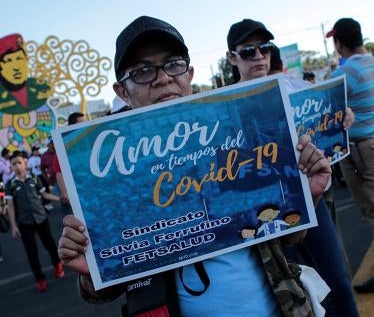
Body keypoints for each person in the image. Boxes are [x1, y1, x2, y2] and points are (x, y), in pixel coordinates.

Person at [58, 16, 332, 316]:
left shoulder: (236, 137)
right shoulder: (107, 176)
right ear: (122, 91)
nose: (163, 78)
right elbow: (104, 290)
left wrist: (308, 196)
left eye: (173, 64)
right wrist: (91, 272)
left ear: (189, 73)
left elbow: (285, 235)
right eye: (142, 71)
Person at [226, 18, 359, 316]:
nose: (259, 56)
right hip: (264, 211)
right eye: (249, 51)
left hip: (311, 201)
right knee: (292, 293)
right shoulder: (224, 105)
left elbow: (331, 114)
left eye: (265, 49)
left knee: (336, 279)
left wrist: (343, 116)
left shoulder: (295, 86)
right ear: (232, 57)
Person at [327, 17, 374, 293]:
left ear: (339, 43)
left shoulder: (347, 73)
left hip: (361, 149)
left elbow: (325, 102)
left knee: (371, 209)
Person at [5, 151, 64, 291]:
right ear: (11, 167)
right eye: (14, 164)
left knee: (50, 244)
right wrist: (13, 226)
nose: (17, 166)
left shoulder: (35, 178)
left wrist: (60, 198)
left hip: (41, 217)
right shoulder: (10, 184)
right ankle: (40, 278)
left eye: (19, 163)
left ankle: (57, 265)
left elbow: (44, 194)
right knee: (32, 252)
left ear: (25, 163)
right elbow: (10, 206)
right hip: (24, 222)